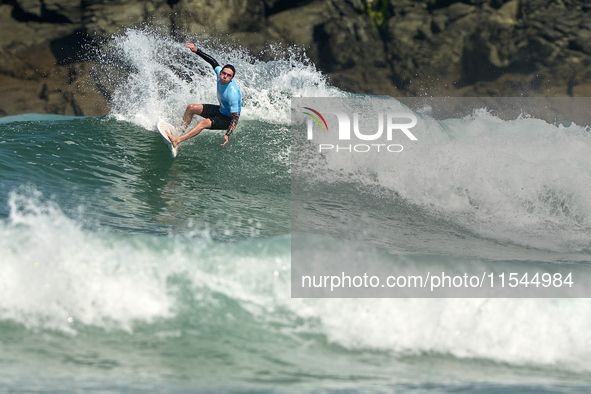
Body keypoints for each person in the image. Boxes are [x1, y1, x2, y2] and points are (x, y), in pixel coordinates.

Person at [164, 43, 242, 148]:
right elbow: (213, 61)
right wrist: (197, 51)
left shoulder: (232, 94)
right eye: (224, 73)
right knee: (191, 108)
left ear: (231, 78)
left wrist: (227, 134)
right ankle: (179, 132)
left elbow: (235, 118)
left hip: (227, 119)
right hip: (221, 110)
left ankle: (178, 140)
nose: (225, 76)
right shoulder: (220, 73)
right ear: (220, 72)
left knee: (202, 123)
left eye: (228, 76)